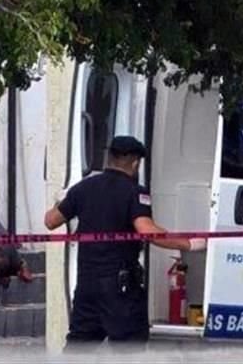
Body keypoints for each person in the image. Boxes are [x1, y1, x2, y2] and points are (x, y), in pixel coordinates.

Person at [44, 135, 206, 347]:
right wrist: (189, 244)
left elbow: (50, 221)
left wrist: (64, 199)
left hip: (87, 285)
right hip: (119, 288)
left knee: (79, 348)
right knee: (130, 348)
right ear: (136, 163)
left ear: (109, 158)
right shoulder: (134, 191)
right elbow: (147, 230)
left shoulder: (83, 188)